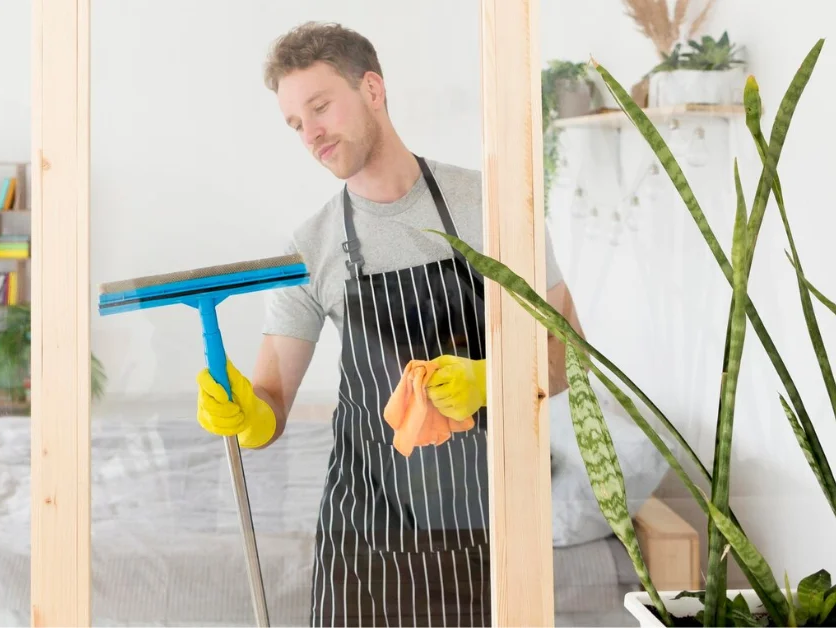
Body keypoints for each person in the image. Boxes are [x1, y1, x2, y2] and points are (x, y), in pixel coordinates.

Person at [193, 21, 584, 628]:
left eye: (320, 107)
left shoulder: (494, 206)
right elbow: (270, 405)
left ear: (372, 89)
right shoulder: (311, 246)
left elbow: (572, 356)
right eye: (296, 124)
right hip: (365, 534)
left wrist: (495, 379)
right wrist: (247, 413)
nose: (311, 134)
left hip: (490, 518)